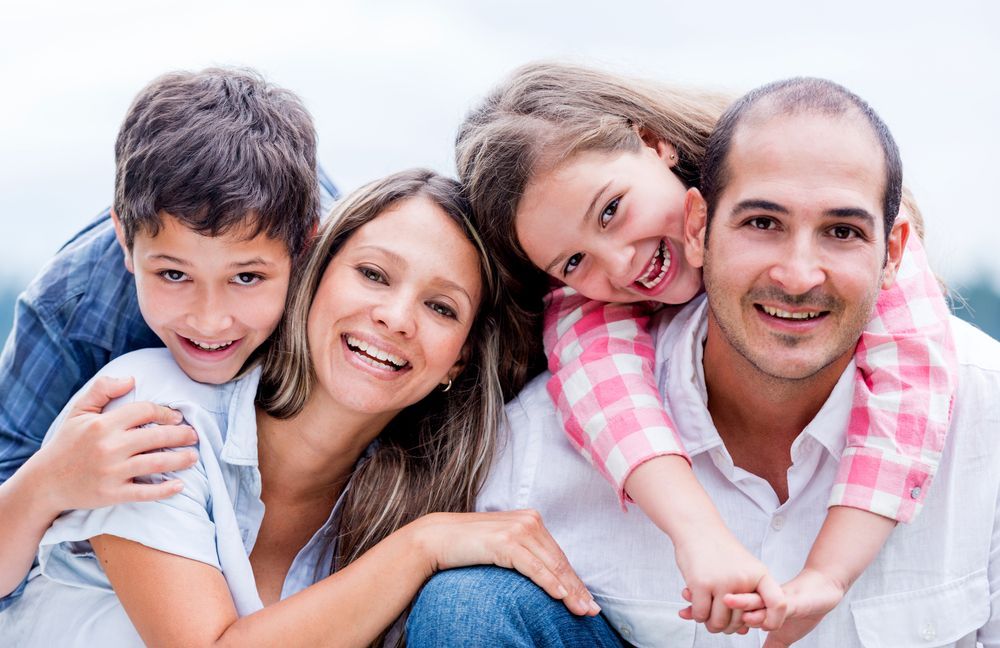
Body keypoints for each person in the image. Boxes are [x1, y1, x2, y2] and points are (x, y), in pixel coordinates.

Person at [407, 78, 1000, 647]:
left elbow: (916, 389)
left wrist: (830, 575)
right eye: (573, 263)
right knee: (467, 603)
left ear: (656, 147)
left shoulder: (925, 333)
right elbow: (602, 386)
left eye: (612, 210)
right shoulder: (588, 326)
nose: (619, 267)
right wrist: (697, 532)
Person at [0, 169, 605, 647]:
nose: (395, 317)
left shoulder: (399, 506)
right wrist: (425, 545)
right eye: (372, 274)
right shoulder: (157, 411)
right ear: (313, 276)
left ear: (458, 361)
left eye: (440, 308)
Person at [0, 67, 336, 608]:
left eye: (246, 277)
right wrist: (47, 483)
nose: (209, 320)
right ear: (124, 239)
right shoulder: (67, 312)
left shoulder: (343, 275)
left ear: (305, 246)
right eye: (173, 275)